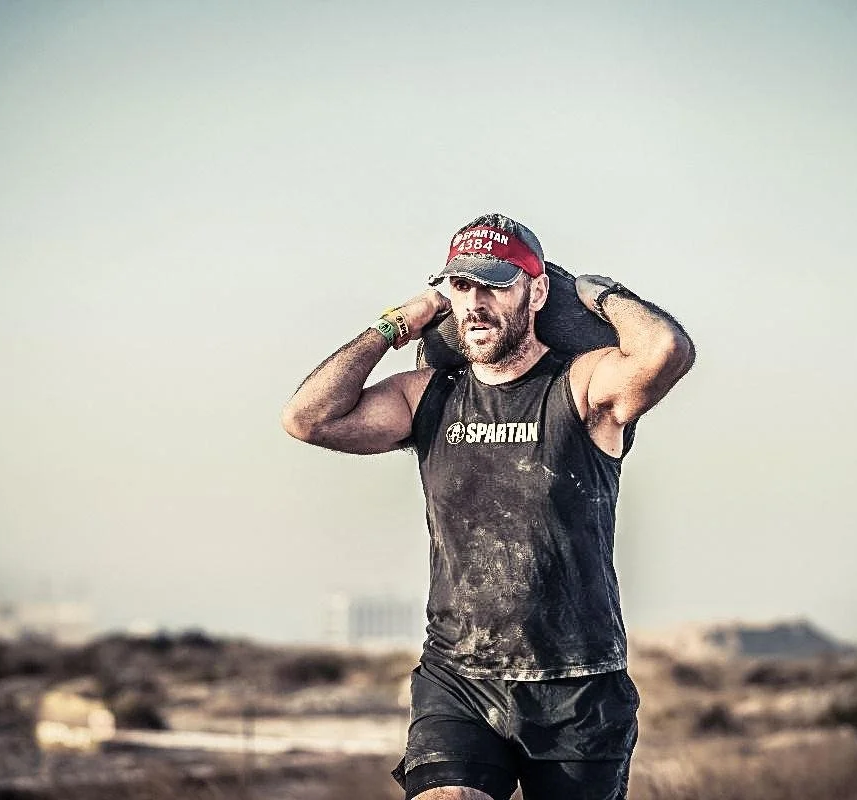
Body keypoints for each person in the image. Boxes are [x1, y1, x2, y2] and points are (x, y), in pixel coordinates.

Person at [282, 213, 695, 800]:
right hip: (460, 679)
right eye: (461, 285)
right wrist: (396, 324)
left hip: (577, 687)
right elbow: (307, 419)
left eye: (495, 283)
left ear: (536, 290)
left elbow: (665, 350)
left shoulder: (581, 388)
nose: (475, 302)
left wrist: (595, 292)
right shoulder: (429, 395)